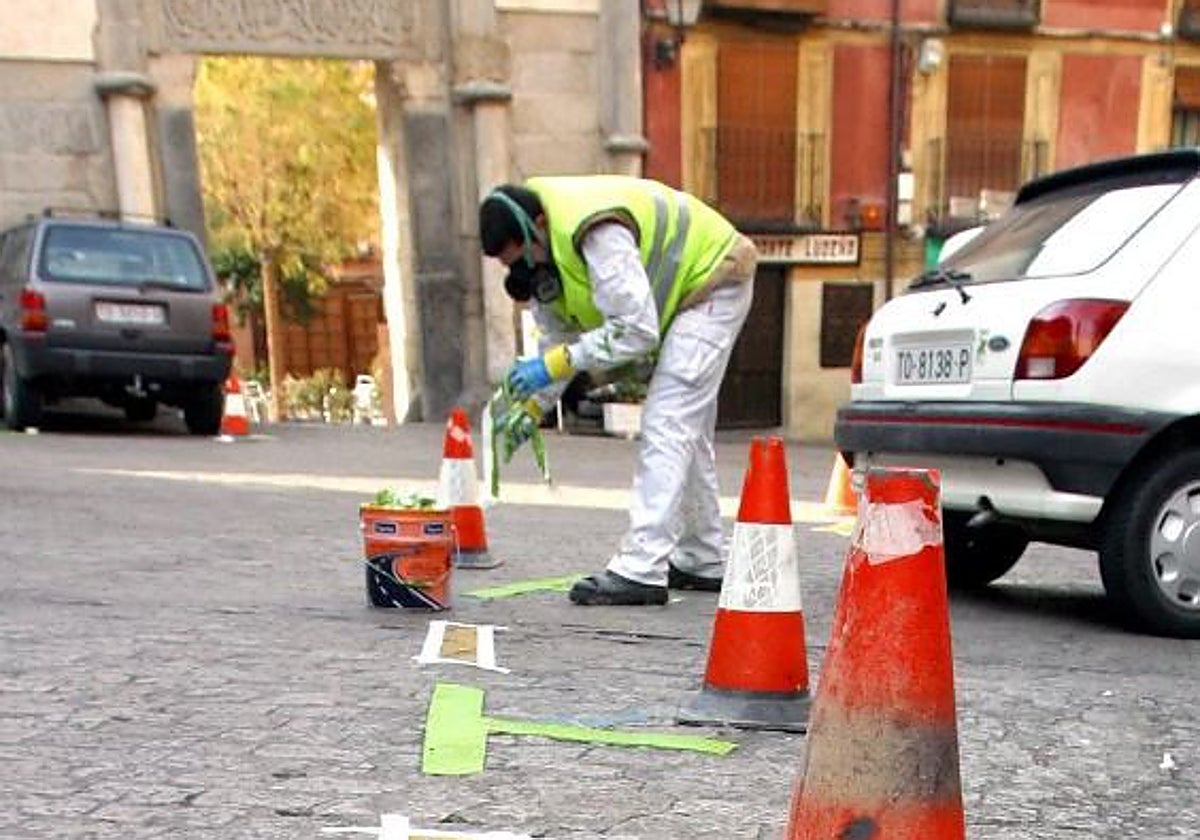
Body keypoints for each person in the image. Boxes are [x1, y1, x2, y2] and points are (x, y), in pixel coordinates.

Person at [478, 175, 757, 606]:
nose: (523, 271)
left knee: (667, 422)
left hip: (714, 279)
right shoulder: (544, 259)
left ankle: (641, 568)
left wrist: (553, 366)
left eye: (524, 257)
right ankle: (703, 558)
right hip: (690, 293)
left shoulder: (596, 233)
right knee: (687, 432)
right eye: (511, 265)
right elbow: (557, 342)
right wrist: (534, 405)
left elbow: (635, 330)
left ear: (538, 224)